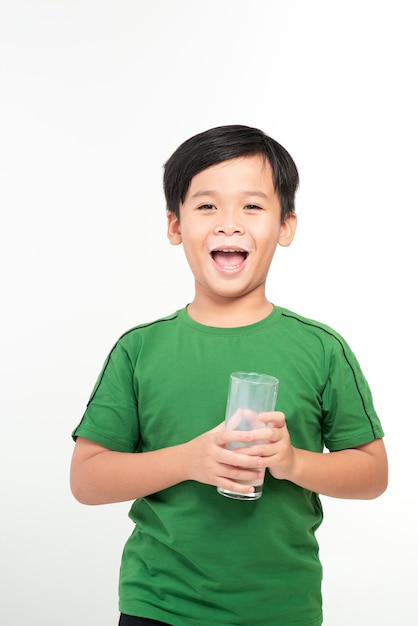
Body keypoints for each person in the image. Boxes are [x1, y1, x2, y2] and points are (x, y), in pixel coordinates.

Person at [70, 125, 388, 626]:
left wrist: (291, 462)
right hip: (159, 607)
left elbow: (372, 474)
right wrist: (188, 460)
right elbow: (86, 479)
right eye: (207, 206)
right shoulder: (139, 350)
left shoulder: (321, 348)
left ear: (286, 226)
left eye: (253, 207)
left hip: (282, 610)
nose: (229, 225)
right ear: (175, 226)